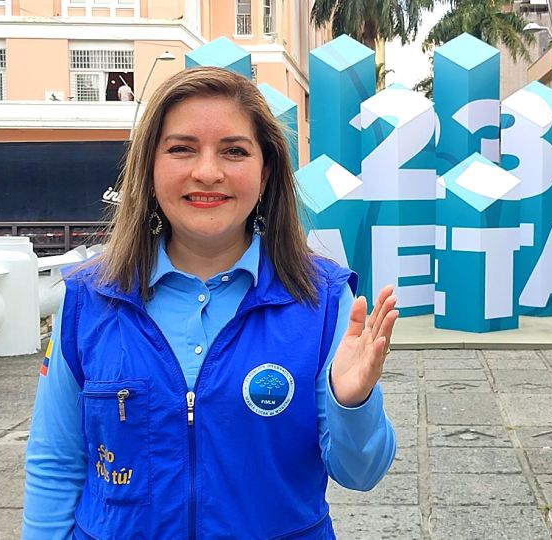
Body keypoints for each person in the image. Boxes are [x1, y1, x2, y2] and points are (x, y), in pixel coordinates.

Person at [22, 66, 399, 539]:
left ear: (265, 171)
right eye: (181, 148)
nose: (207, 172)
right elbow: (56, 461)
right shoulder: (89, 298)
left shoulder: (320, 300)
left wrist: (353, 401)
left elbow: (360, 473)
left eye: (234, 151)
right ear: (149, 168)